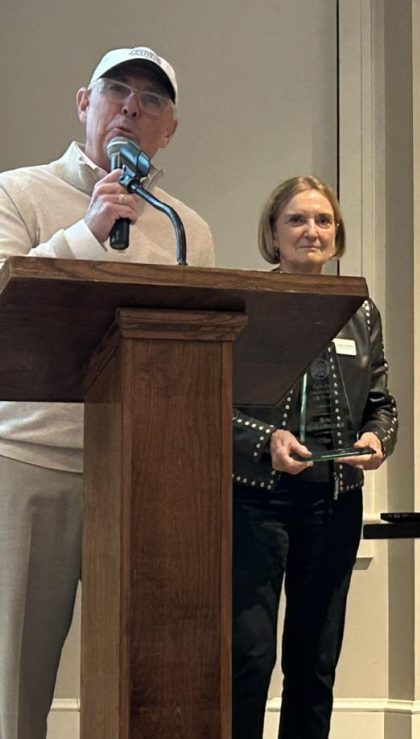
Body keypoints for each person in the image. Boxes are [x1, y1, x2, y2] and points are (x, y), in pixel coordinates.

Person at [0, 46, 215, 739]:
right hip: (32, 459)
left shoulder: (187, 226)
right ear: (83, 104)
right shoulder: (17, 192)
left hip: (145, 473)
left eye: (151, 100)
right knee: (14, 675)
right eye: (117, 90)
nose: (132, 106)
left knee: (144, 676)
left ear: (169, 130)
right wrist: (89, 230)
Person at [231, 176, 397, 739]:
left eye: (323, 221)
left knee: (315, 662)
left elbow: (381, 402)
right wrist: (266, 439)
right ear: (273, 235)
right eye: (297, 220)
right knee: (246, 658)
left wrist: (378, 440)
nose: (312, 231)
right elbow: (210, 401)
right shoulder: (247, 300)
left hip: (334, 503)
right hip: (255, 502)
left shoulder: (360, 309)